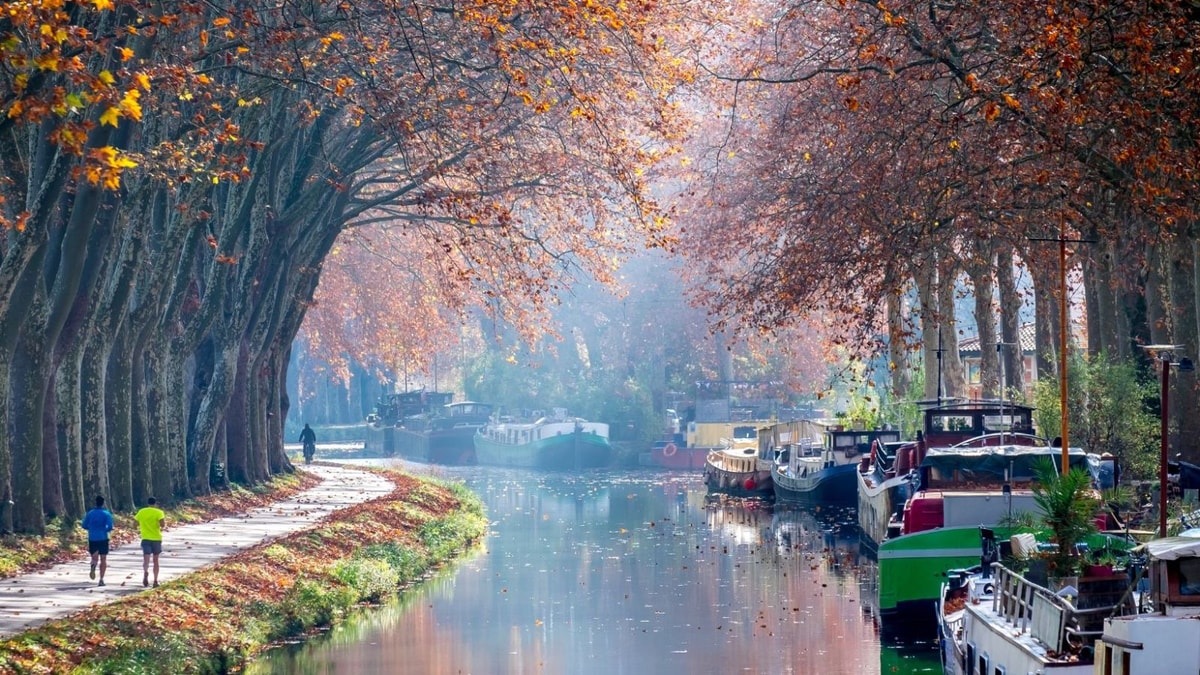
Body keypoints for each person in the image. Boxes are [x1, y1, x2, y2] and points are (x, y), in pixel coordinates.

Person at [80, 496, 113, 587]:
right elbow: (110, 526)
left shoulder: (90, 513)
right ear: (103, 503)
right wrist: (105, 529)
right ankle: (101, 579)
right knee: (103, 559)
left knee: (94, 557)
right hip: (103, 537)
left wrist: (91, 528)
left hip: (92, 537)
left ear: (95, 503)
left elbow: (84, 525)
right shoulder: (106, 513)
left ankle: (93, 565)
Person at [134, 497, 165, 588]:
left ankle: (145, 572)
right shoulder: (159, 512)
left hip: (145, 538)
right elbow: (162, 525)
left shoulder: (141, 511)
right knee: (156, 560)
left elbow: (135, 524)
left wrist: (142, 526)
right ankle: (155, 580)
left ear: (147, 503)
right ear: (155, 504)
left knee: (146, 559)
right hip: (156, 538)